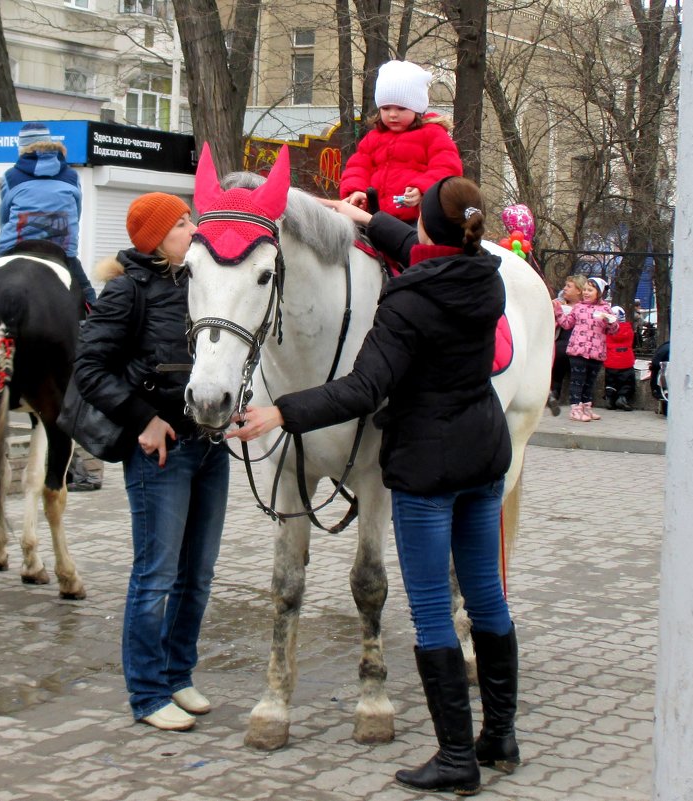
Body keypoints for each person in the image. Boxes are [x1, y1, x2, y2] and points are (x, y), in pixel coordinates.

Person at [232, 177, 521, 794]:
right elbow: (414, 242)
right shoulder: (486, 275)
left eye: (415, 221)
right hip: (484, 458)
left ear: (430, 236)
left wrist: (281, 412)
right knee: (487, 600)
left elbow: (361, 389)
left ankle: (454, 759)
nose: (407, 225)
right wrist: (356, 219)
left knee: (431, 616)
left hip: (426, 470)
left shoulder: (408, 304)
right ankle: (499, 736)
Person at [73, 193, 229, 732]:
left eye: (190, 218)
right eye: (182, 223)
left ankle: (178, 674)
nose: (193, 228)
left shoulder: (204, 282)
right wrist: (143, 418)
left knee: (198, 575)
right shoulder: (126, 292)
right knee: (157, 575)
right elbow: (89, 368)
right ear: (155, 239)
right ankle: (146, 692)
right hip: (161, 453)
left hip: (210, 444)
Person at [0, 122, 95, 349]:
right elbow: (77, 211)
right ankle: (93, 328)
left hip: (16, 244)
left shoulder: (12, 176)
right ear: (50, 143)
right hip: (61, 248)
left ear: (22, 148)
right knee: (86, 290)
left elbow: (4, 215)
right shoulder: (71, 176)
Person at [339, 60, 463, 224]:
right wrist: (356, 191)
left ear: (417, 109)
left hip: (416, 220)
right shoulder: (373, 138)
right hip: (373, 217)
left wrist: (422, 189)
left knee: (414, 248)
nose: (392, 114)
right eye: (386, 108)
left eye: (401, 108)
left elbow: (447, 168)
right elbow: (358, 168)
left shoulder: (433, 134)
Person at [553, 276, 618, 422]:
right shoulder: (578, 307)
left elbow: (613, 330)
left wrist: (609, 322)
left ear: (599, 293)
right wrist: (558, 312)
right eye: (585, 290)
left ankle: (586, 409)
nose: (586, 293)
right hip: (578, 351)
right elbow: (567, 324)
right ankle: (575, 409)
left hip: (597, 352)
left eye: (590, 290)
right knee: (577, 381)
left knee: (590, 382)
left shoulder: (606, 309)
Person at [548, 275, 588, 414]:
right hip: (561, 341)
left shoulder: (584, 307)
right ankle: (554, 392)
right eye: (565, 285)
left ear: (579, 290)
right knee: (559, 352)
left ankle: (579, 400)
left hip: (578, 345)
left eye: (569, 286)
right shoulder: (559, 304)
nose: (564, 289)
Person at [603, 305, 636, 411]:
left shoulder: (607, 331)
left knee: (610, 381)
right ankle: (623, 398)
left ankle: (609, 397)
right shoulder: (628, 329)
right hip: (626, 361)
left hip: (611, 361)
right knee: (627, 382)